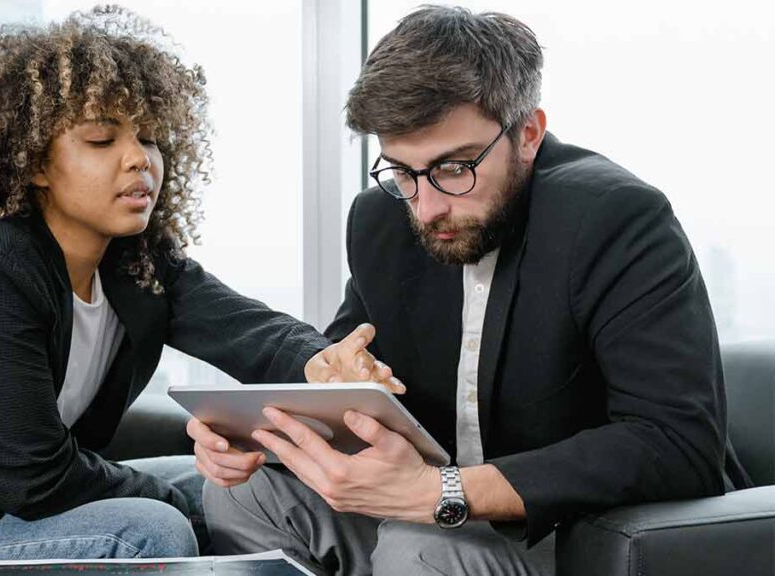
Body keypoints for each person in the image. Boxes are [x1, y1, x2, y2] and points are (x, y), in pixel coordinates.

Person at [0, 8, 390, 575]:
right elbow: (31, 477)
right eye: (102, 140)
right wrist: (179, 501)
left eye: (151, 139)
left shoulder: (132, 260)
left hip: (17, 512)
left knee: (254, 487)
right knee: (154, 527)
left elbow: (247, 332)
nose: (140, 161)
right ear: (34, 161)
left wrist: (323, 362)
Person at [197, 5, 752, 575]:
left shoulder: (615, 218)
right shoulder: (382, 220)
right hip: (427, 521)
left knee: (420, 549)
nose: (427, 206)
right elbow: (350, 379)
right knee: (242, 495)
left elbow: (677, 444)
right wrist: (264, 433)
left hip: (581, 535)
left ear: (528, 133)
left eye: (455, 168)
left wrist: (442, 492)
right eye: (403, 172)